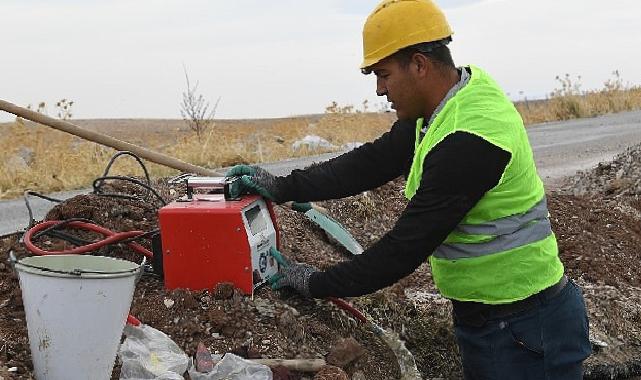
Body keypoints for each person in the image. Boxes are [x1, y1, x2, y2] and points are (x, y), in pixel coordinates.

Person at [227, 0, 591, 378]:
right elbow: (368, 164)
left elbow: (403, 249)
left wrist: (312, 282)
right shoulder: (442, 107)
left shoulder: (470, 138)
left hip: (525, 329)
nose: (380, 89)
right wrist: (282, 186)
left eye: (383, 74)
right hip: (495, 319)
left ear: (419, 64)